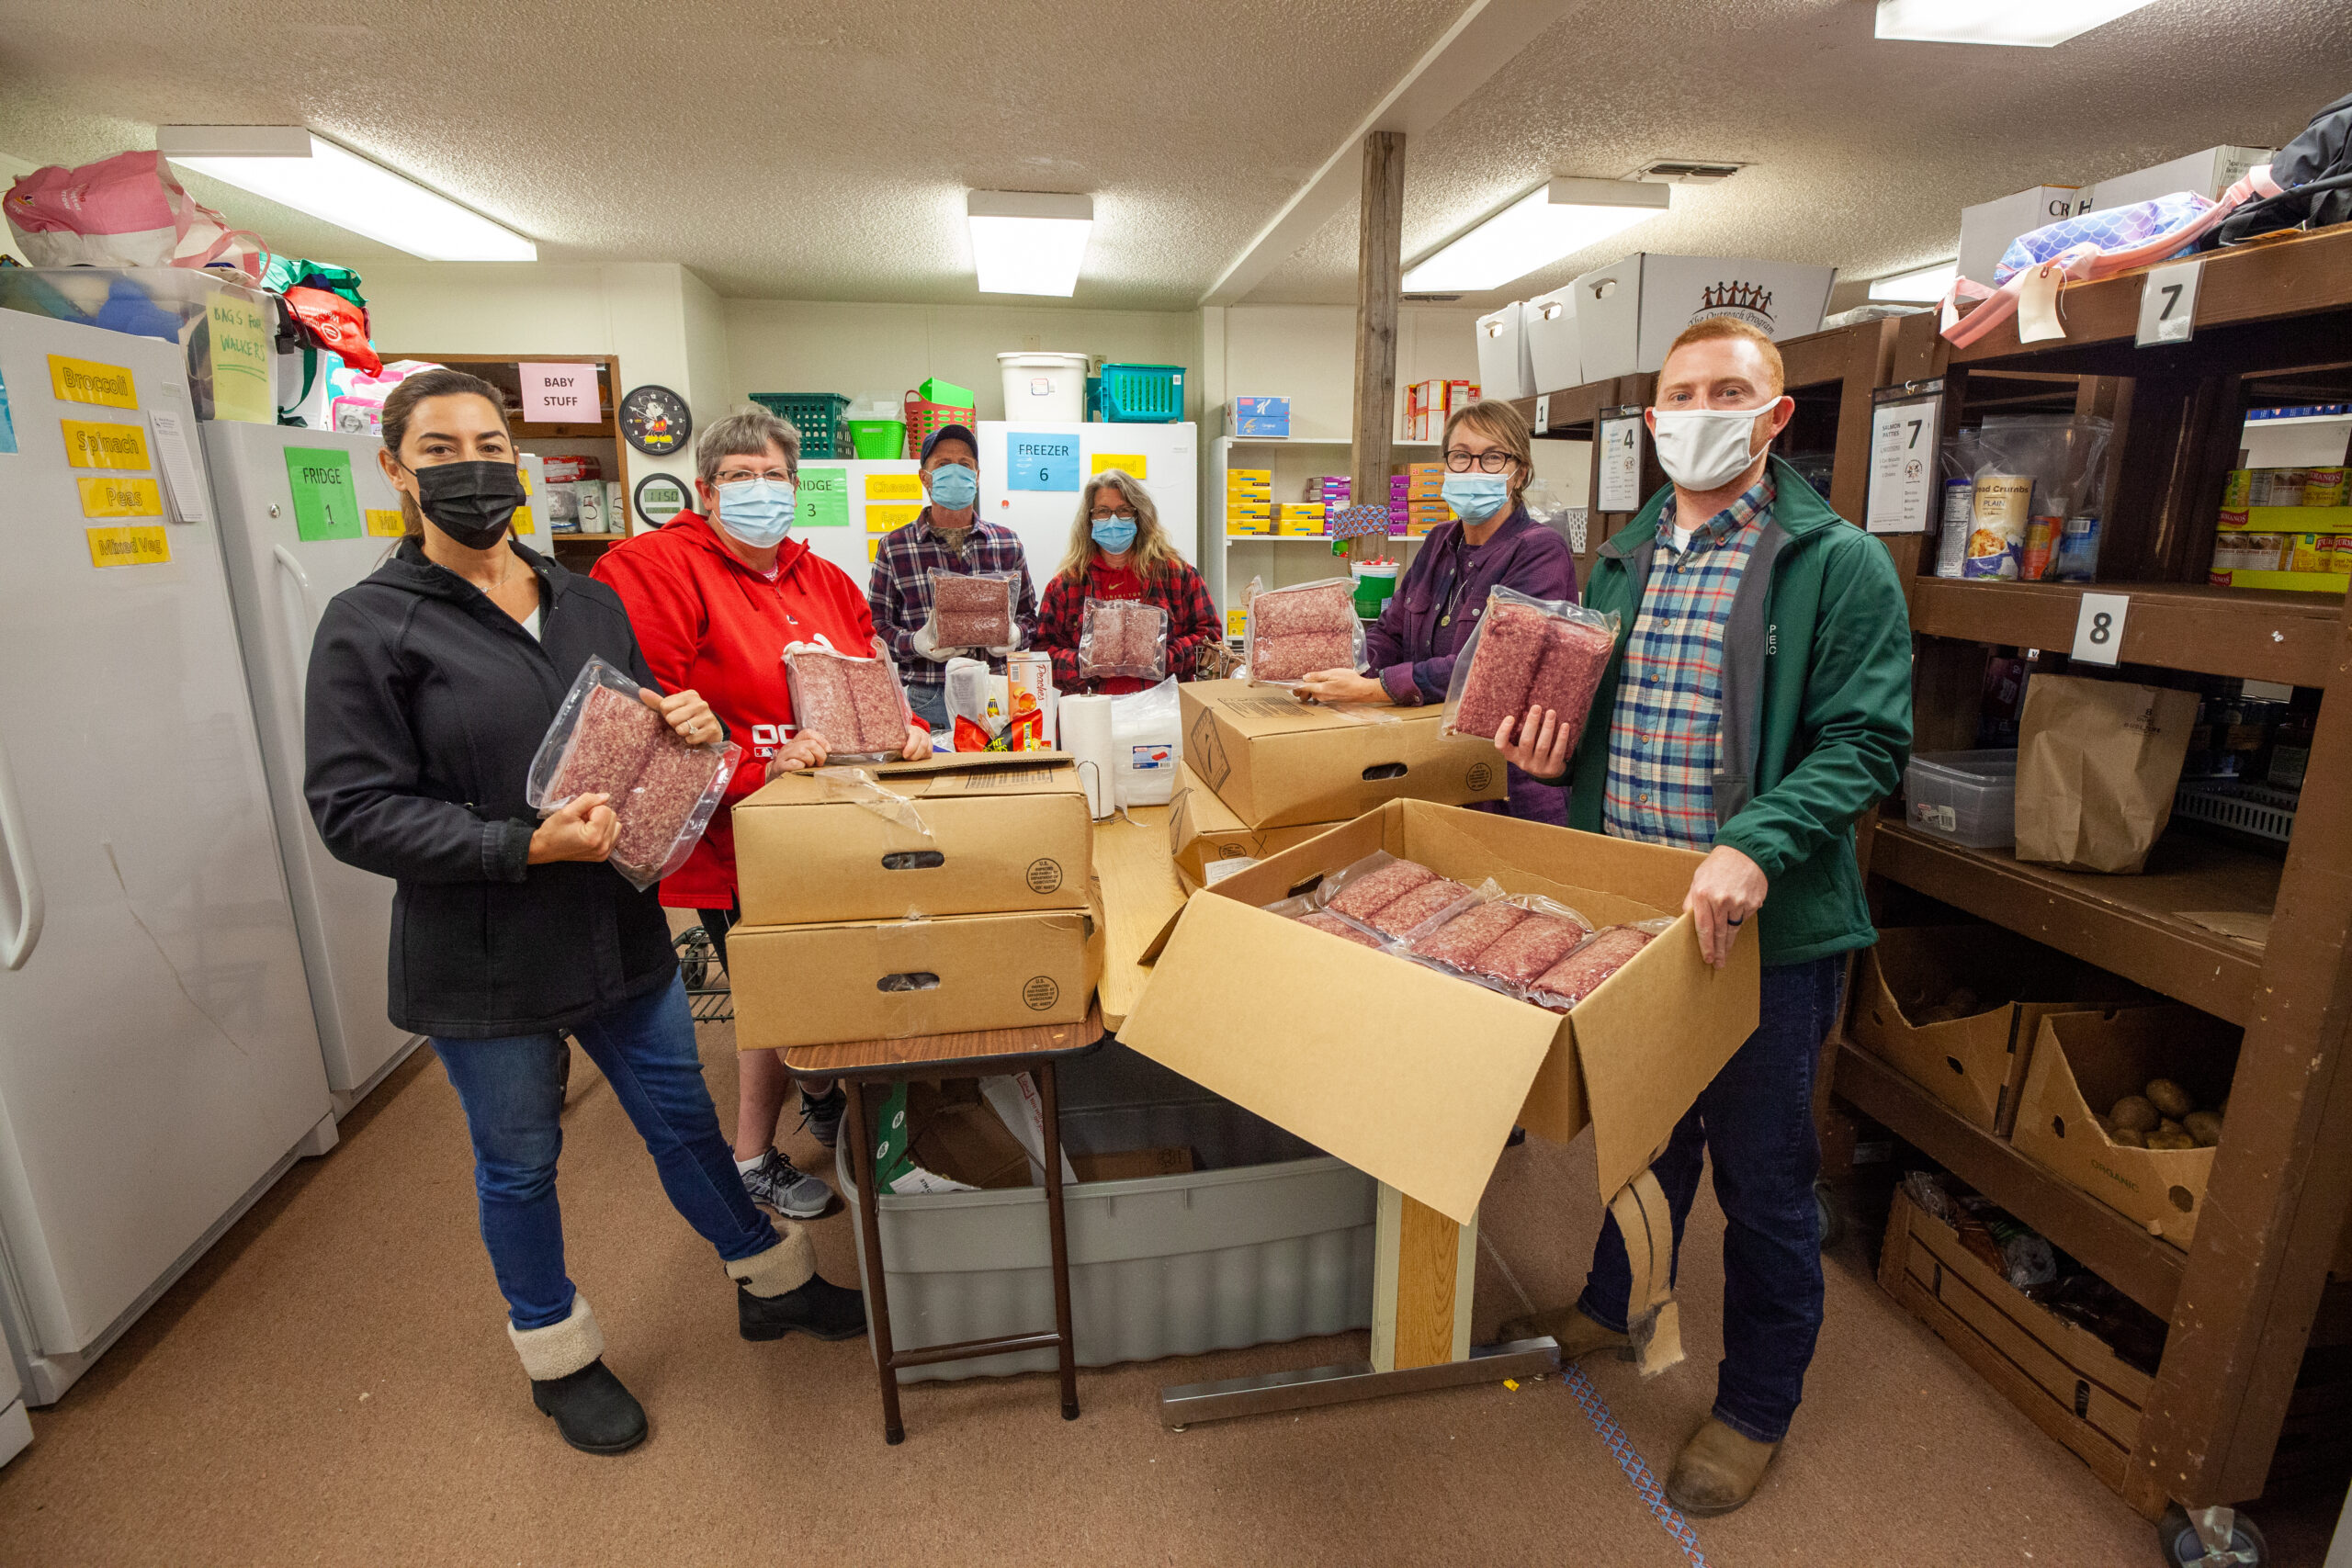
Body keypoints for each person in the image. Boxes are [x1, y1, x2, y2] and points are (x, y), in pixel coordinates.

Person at [304, 368, 865, 1458]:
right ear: (395, 470)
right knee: (517, 1161)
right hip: (485, 954)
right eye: (440, 449)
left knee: (685, 1127)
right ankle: (557, 1353)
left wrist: (692, 723)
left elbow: (641, 728)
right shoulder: (370, 626)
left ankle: (769, 1281)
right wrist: (517, 845)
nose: (472, 467)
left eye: (489, 443)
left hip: (614, 929)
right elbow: (353, 813)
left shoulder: (585, 598)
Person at [1494, 318, 1912, 1516]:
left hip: (1764, 938)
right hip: (1635, 923)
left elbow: (1868, 740)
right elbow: (1602, 723)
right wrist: (1548, 744)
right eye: (1681, 393)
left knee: (1769, 1180)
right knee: (1640, 1140)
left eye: (1730, 390)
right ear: (1655, 416)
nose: (1700, 409)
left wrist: (1755, 843)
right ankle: (1613, 1298)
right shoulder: (1620, 559)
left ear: (1777, 415)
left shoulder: (1835, 562)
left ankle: (1755, 1405)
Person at [593, 408, 928, 1222]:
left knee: (821, 991)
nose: (759, 490)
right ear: (705, 490)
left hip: (832, 828)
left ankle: (818, 1094)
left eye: (774, 475)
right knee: (779, 999)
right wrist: (755, 763)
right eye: (740, 476)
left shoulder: (826, 579)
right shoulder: (653, 569)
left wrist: (903, 728)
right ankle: (753, 1156)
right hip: (733, 838)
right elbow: (637, 722)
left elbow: (865, 683)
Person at [1294, 400, 1575, 825]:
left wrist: (1374, 689)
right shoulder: (1441, 540)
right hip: (1434, 768)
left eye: (1493, 457)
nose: (1473, 470)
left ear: (1518, 472)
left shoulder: (1540, 551)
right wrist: (1338, 667)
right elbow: (1390, 633)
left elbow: (1494, 668)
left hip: (1505, 785)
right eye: (1461, 456)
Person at [867, 423, 1039, 730]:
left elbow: (1029, 618)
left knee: (997, 777)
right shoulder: (895, 547)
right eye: (943, 464)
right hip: (927, 697)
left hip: (995, 692)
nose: (955, 472)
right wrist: (916, 643)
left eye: (965, 464)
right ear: (925, 477)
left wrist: (1015, 636)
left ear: (977, 475)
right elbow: (874, 630)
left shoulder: (1006, 542)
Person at [1035, 468, 1221, 694]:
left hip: (1163, 714)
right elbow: (1041, 655)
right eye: (1103, 512)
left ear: (1139, 516)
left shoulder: (1178, 575)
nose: (1113, 520)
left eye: (1124, 511)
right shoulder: (1066, 584)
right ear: (1090, 519)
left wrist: (1163, 657)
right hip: (1089, 716)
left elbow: (1211, 638)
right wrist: (1085, 662)